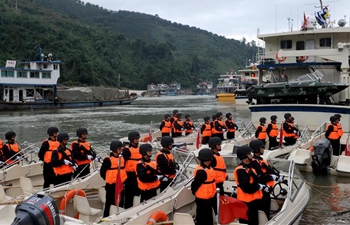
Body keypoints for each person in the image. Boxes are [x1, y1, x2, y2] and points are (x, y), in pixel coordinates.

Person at [249, 140, 282, 219]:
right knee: (263, 209)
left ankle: (267, 219)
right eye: (261, 148)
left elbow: (269, 169)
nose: (263, 149)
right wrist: (271, 177)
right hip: (262, 190)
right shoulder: (254, 163)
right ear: (257, 150)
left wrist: (277, 176)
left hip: (267, 189)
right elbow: (260, 176)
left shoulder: (261, 160)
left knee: (267, 207)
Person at [234, 145, 264, 225]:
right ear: (245, 156)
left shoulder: (248, 167)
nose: (251, 155)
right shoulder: (241, 170)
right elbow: (246, 187)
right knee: (249, 222)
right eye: (249, 154)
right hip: (246, 202)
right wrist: (258, 187)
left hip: (252, 201)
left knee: (254, 221)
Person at [100, 140, 127, 217]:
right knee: (110, 202)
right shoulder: (108, 160)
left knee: (121, 202)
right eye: (119, 148)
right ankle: (106, 216)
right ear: (115, 149)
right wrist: (109, 179)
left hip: (120, 184)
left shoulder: (122, 158)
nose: (121, 150)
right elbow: (102, 172)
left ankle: (120, 216)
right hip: (111, 185)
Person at [191, 148, 217, 225]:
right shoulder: (201, 172)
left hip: (210, 196)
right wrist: (195, 192)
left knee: (209, 216)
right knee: (203, 217)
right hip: (203, 199)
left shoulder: (208, 168)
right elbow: (195, 184)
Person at [122, 131, 142, 209]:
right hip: (130, 175)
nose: (137, 140)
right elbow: (122, 161)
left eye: (138, 138)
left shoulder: (140, 149)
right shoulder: (127, 150)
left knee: (138, 192)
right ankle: (127, 207)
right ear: (131, 140)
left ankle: (137, 207)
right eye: (135, 139)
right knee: (129, 194)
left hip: (138, 174)